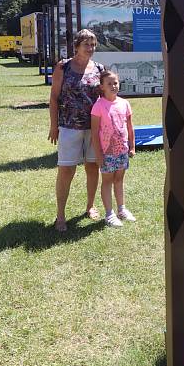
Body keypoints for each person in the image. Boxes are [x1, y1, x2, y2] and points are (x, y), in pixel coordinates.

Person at [48, 29, 105, 232]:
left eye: (93, 45)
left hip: (94, 128)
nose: (90, 48)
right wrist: (54, 125)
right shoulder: (63, 67)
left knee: (92, 168)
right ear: (77, 46)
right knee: (66, 170)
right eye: (86, 45)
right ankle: (60, 215)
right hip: (69, 126)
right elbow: (54, 97)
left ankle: (90, 206)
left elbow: (104, 98)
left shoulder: (99, 68)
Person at [91, 70, 136, 227]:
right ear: (102, 87)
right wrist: (99, 155)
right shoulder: (98, 106)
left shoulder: (124, 103)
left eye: (115, 83)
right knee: (108, 181)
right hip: (106, 153)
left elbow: (130, 127)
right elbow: (95, 133)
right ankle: (109, 214)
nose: (113, 86)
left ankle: (121, 209)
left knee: (119, 179)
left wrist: (132, 146)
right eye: (109, 84)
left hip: (122, 150)